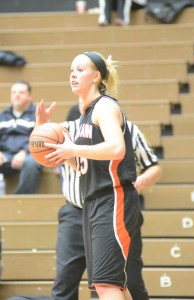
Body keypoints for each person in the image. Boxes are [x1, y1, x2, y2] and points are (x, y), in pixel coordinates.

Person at [36, 51, 159, 300]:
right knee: (114, 285)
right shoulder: (84, 116)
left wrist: (74, 148)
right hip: (93, 203)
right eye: (71, 69)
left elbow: (117, 149)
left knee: (107, 285)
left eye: (80, 69)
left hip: (112, 199)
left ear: (96, 76)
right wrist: (48, 138)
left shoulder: (105, 106)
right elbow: (83, 166)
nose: (73, 74)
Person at [0, 80, 42, 194]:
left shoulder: (38, 115)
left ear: (29, 96)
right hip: (5, 156)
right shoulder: (2, 116)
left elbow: (41, 138)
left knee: (31, 163)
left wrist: (24, 151)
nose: (17, 94)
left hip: (30, 155)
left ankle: (19, 200)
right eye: (14, 92)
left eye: (21, 92)